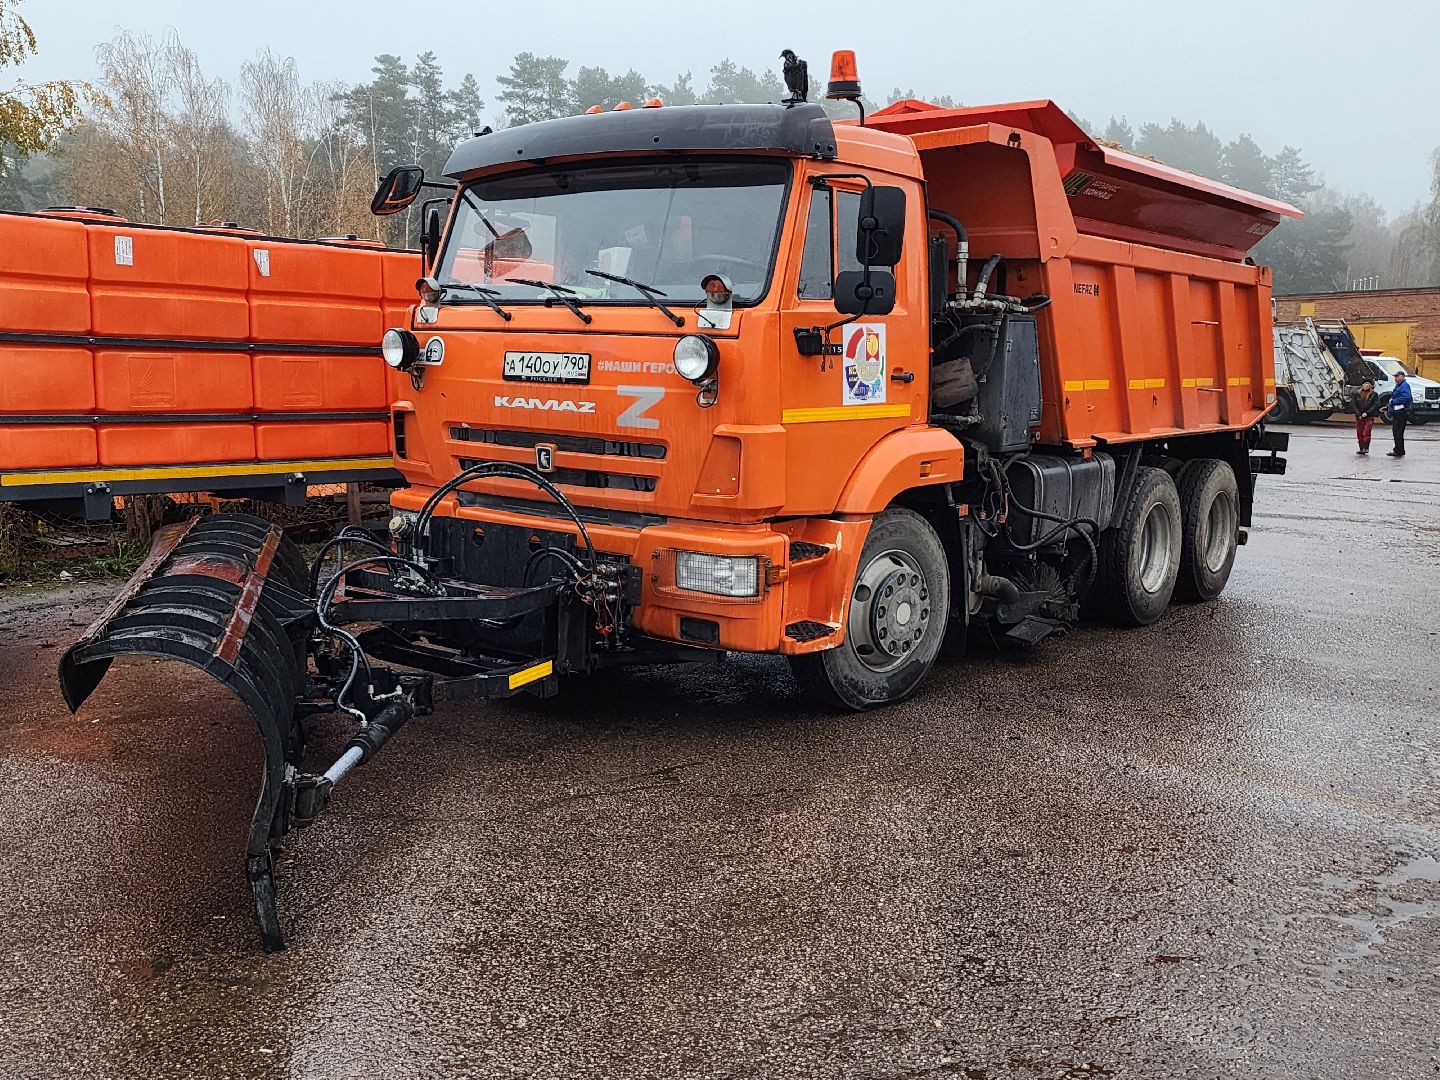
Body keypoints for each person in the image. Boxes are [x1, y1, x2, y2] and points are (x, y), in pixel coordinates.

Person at [1387, 369, 1414, 457]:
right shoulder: (1399, 385)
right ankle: (1399, 449)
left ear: (1402, 377)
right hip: (1397, 411)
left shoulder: (1404, 386)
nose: (1395, 378)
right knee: (1396, 431)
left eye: (1397, 376)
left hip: (1401, 412)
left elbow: (1406, 397)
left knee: (1398, 432)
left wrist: (1393, 401)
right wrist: (1388, 407)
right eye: (1395, 377)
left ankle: (1399, 451)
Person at [1352, 379, 1382, 454]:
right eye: (1365, 384)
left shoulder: (1374, 394)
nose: (1366, 385)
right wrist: (1358, 414)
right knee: (1359, 432)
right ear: (1362, 385)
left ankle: (1366, 447)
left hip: (1369, 416)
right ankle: (1361, 448)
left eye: (1368, 384)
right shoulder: (1356, 393)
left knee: (1366, 432)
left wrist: (1367, 413)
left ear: (1371, 386)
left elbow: (1376, 405)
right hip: (1359, 416)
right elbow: (1353, 404)